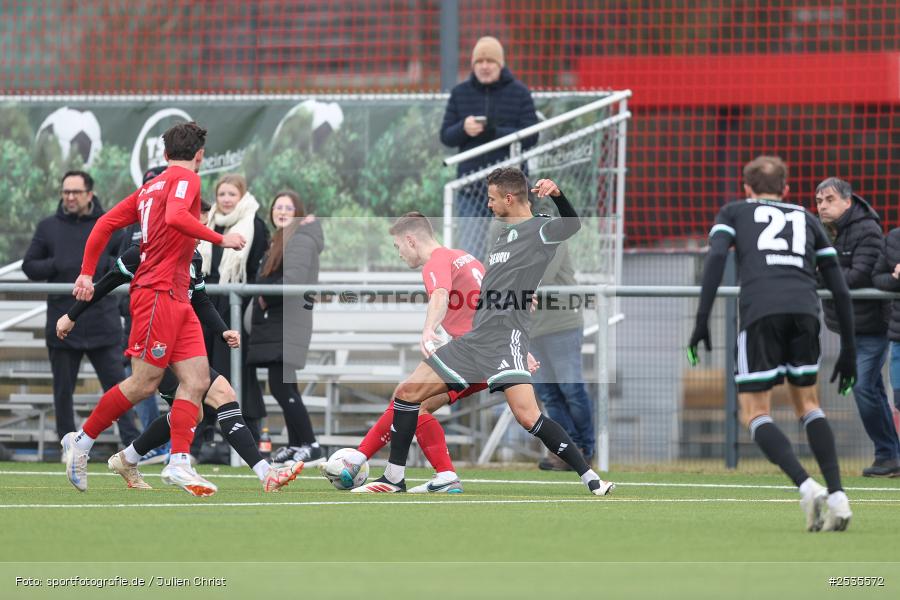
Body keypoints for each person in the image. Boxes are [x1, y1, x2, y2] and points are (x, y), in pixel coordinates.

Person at [352, 168, 614, 496]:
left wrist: (559, 196)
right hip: (477, 340)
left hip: (507, 339)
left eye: (492, 199)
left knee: (529, 417)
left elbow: (572, 225)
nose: (488, 205)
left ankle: (592, 479)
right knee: (407, 394)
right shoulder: (504, 233)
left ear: (509, 198)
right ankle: (394, 478)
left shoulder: (540, 228)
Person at [62, 121, 247, 496]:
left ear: (164, 154)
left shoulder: (150, 187)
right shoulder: (188, 180)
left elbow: (104, 224)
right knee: (144, 383)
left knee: (196, 381)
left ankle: (179, 462)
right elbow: (179, 217)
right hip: (157, 292)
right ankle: (81, 441)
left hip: (176, 296)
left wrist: (85, 273)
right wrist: (221, 238)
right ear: (200, 156)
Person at [688, 156, 857, 532]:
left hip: (760, 312)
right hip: (805, 312)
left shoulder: (734, 211)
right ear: (786, 189)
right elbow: (840, 289)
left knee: (754, 412)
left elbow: (716, 257)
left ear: (746, 189)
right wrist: (849, 349)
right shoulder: (807, 217)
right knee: (809, 405)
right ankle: (840, 496)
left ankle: (807, 486)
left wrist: (701, 322)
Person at [57, 243, 303, 492]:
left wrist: (222, 330)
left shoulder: (194, 257)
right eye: (196, 222)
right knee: (156, 390)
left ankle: (128, 458)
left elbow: (200, 299)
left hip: (179, 345)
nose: (200, 233)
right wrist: (72, 315)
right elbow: (106, 282)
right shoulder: (145, 251)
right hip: (154, 340)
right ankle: (88, 441)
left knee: (194, 412)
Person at [22, 170, 140, 451]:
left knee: (119, 388)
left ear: (90, 193)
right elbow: (30, 266)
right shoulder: (48, 227)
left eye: (76, 192)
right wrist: (58, 263)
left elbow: (125, 261)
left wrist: (99, 268)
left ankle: (131, 446)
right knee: (63, 391)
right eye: (66, 192)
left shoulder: (109, 225)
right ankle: (67, 446)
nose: (70, 197)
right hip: (64, 322)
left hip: (103, 321)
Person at [815, 177, 900, 477]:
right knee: (870, 388)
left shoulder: (868, 230)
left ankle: (888, 455)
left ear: (848, 202)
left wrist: (823, 273)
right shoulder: (819, 229)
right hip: (849, 326)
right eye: (819, 201)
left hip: (873, 326)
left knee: (864, 386)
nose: (823, 206)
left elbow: (861, 276)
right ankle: (890, 456)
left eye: (829, 200)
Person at [440, 36, 538, 260]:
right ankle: (474, 295)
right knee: (470, 255)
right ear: (473, 65)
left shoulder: (520, 93)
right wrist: (463, 128)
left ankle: (510, 295)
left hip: (510, 192)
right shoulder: (459, 93)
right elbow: (446, 136)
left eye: (490, 61)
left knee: (512, 255)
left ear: (500, 64)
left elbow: (532, 136)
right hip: (471, 188)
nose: (484, 66)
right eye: (479, 61)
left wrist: (495, 133)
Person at [246, 190, 324, 465]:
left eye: (288, 208)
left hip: (288, 323)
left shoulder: (300, 240)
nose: (281, 211)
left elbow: (292, 281)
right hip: (279, 323)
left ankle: (311, 445)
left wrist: (265, 295)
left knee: (281, 387)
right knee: (283, 385)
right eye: (277, 207)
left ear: (298, 212)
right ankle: (296, 444)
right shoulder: (281, 239)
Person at [196, 174, 270, 448]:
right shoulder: (207, 223)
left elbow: (255, 272)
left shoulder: (255, 225)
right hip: (205, 304)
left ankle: (244, 439)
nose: (226, 200)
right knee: (202, 370)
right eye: (222, 194)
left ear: (242, 196)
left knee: (234, 372)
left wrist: (242, 304)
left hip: (235, 306)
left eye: (231, 194)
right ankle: (202, 439)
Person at [118, 165, 170, 464]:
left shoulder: (177, 221)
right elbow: (120, 268)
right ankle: (155, 446)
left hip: (169, 313)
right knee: (140, 379)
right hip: (137, 314)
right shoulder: (131, 226)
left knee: (185, 381)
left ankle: (175, 448)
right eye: (146, 185)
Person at [529, 242, 596, 471]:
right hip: (533, 328)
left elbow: (542, 276)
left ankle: (586, 449)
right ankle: (569, 450)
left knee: (571, 390)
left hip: (562, 325)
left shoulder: (553, 238)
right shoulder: (514, 238)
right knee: (549, 395)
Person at [868, 226, 900, 477]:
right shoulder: (894, 238)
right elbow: (876, 278)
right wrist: (895, 277)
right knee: (898, 399)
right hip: (899, 335)